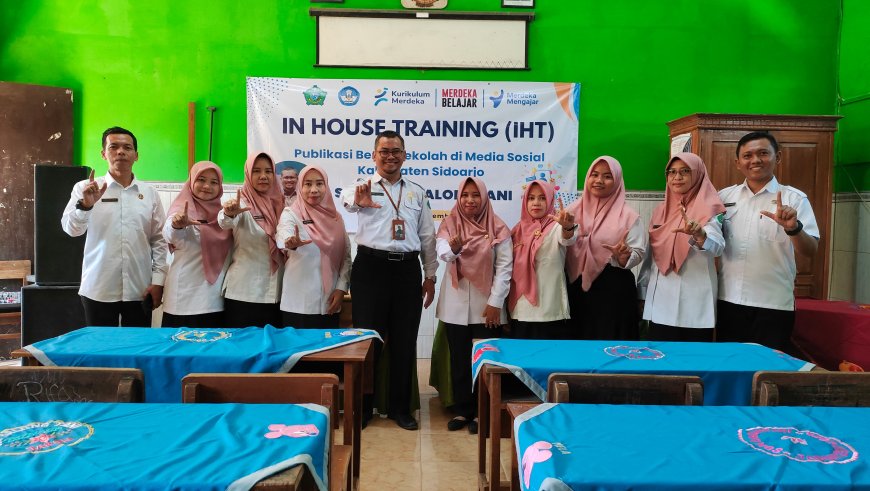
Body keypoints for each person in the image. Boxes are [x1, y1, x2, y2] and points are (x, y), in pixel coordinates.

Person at [340, 130, 437, 431]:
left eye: (396, 150)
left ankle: (399, 408)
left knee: (405, 341)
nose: (390, 156)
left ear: (404, 155)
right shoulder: (363, 186)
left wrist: (431, 275)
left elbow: (427, 237)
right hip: (370, 269)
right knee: (367, 341)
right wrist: (358, 199)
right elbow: (347, 200)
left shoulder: (417, 193)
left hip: (407, 272)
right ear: (374, 155)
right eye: (384, 151)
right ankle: (364, 406)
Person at [717, 132, 819, 351]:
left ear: (777, 157)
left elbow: (810, 250)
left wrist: (793, 228)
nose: (755, 160)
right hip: (728, 300)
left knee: (769, 371)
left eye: (763, 153)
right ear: (737, 163)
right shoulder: (724, 197)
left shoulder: (794, 198)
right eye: (748, 155)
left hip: (773, 304)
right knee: (729, 366)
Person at [61, 126, 167, 327]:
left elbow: (159, 240)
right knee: (100, 351)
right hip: (98, 287)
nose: (120, 152)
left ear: (136, 155)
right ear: (103, 154)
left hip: (140, 288)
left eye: (127, 147)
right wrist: (85, 206)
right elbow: (71, 229)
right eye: (114, 147)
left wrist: (158, 281)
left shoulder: (149, 193)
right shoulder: (85, 189)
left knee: (137, 349)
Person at [435, 177, 512, 434]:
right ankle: (463, 410)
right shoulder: (450, 223)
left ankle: (483, 412)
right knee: (459, 361)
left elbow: (504, 269)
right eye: (465, 195)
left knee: (486, 362)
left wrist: (494, 304)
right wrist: (454, 250)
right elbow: (443, 252)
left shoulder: (499, 228)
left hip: (486, 307)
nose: (470, 200)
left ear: (484, 197)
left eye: (475, 195)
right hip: (455, 307)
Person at [637, 152, 725, 341]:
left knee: (693, 360)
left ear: (698, 174)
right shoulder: (661, 210)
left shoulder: (710, 207)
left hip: (695, 301)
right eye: (672, 172)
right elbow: (651, 255)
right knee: (659, 359)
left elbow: (718, 247)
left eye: (685, 171)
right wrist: (642, 291)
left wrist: (700, 235)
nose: (677, 177)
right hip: (661, 300)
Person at [565, 156, 646, 340]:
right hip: (576, 288)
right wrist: (566, 230)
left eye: (607, 176)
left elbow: (638, 251)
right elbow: (561, 247)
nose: (599, 180)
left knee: (611, 346)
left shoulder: (628, 216)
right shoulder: (571, 211)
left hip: (613, 290)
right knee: (577, 347)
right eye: (594, 174)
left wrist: (624, 257)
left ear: (617, 180)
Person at [161, 161, 233, 328]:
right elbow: (170, 234)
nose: (207, 186)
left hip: (215, 299)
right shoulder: (181, 210)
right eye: (201, 179)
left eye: (214, 182)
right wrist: (177, 225)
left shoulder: (224, 215)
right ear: (191, 181)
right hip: (183, 299)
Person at [277, 165, 350, 328]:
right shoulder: (291, 213)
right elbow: (283, 235)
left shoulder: (336, 218)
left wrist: (341, 288)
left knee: (326, 352)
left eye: (319, 183)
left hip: (329, 300)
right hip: (298, 303)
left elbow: (346, 257)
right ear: (300, 187)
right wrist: (289, 242)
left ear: (326, 186)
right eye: (307, 184)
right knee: (296, 352)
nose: (314, 189)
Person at [218, 152, 285, 328]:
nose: (263, 176)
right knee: (241, 350)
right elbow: (225, 222)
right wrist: (228, 213)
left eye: (268, 171)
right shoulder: (241, 205)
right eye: (256, 171)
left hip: (276, 294)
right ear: (248, 174)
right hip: (244, 294)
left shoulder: (281, 205)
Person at [508, 180, 577, 340]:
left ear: (550, 200)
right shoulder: (517, 230)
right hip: (520, 309)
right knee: (521, 362)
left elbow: (568, 239)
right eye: (531, 198)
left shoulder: (557, 226)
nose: (536, 203)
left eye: (542, 198)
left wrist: (567, 227)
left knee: (550, 361)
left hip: (549, 310)